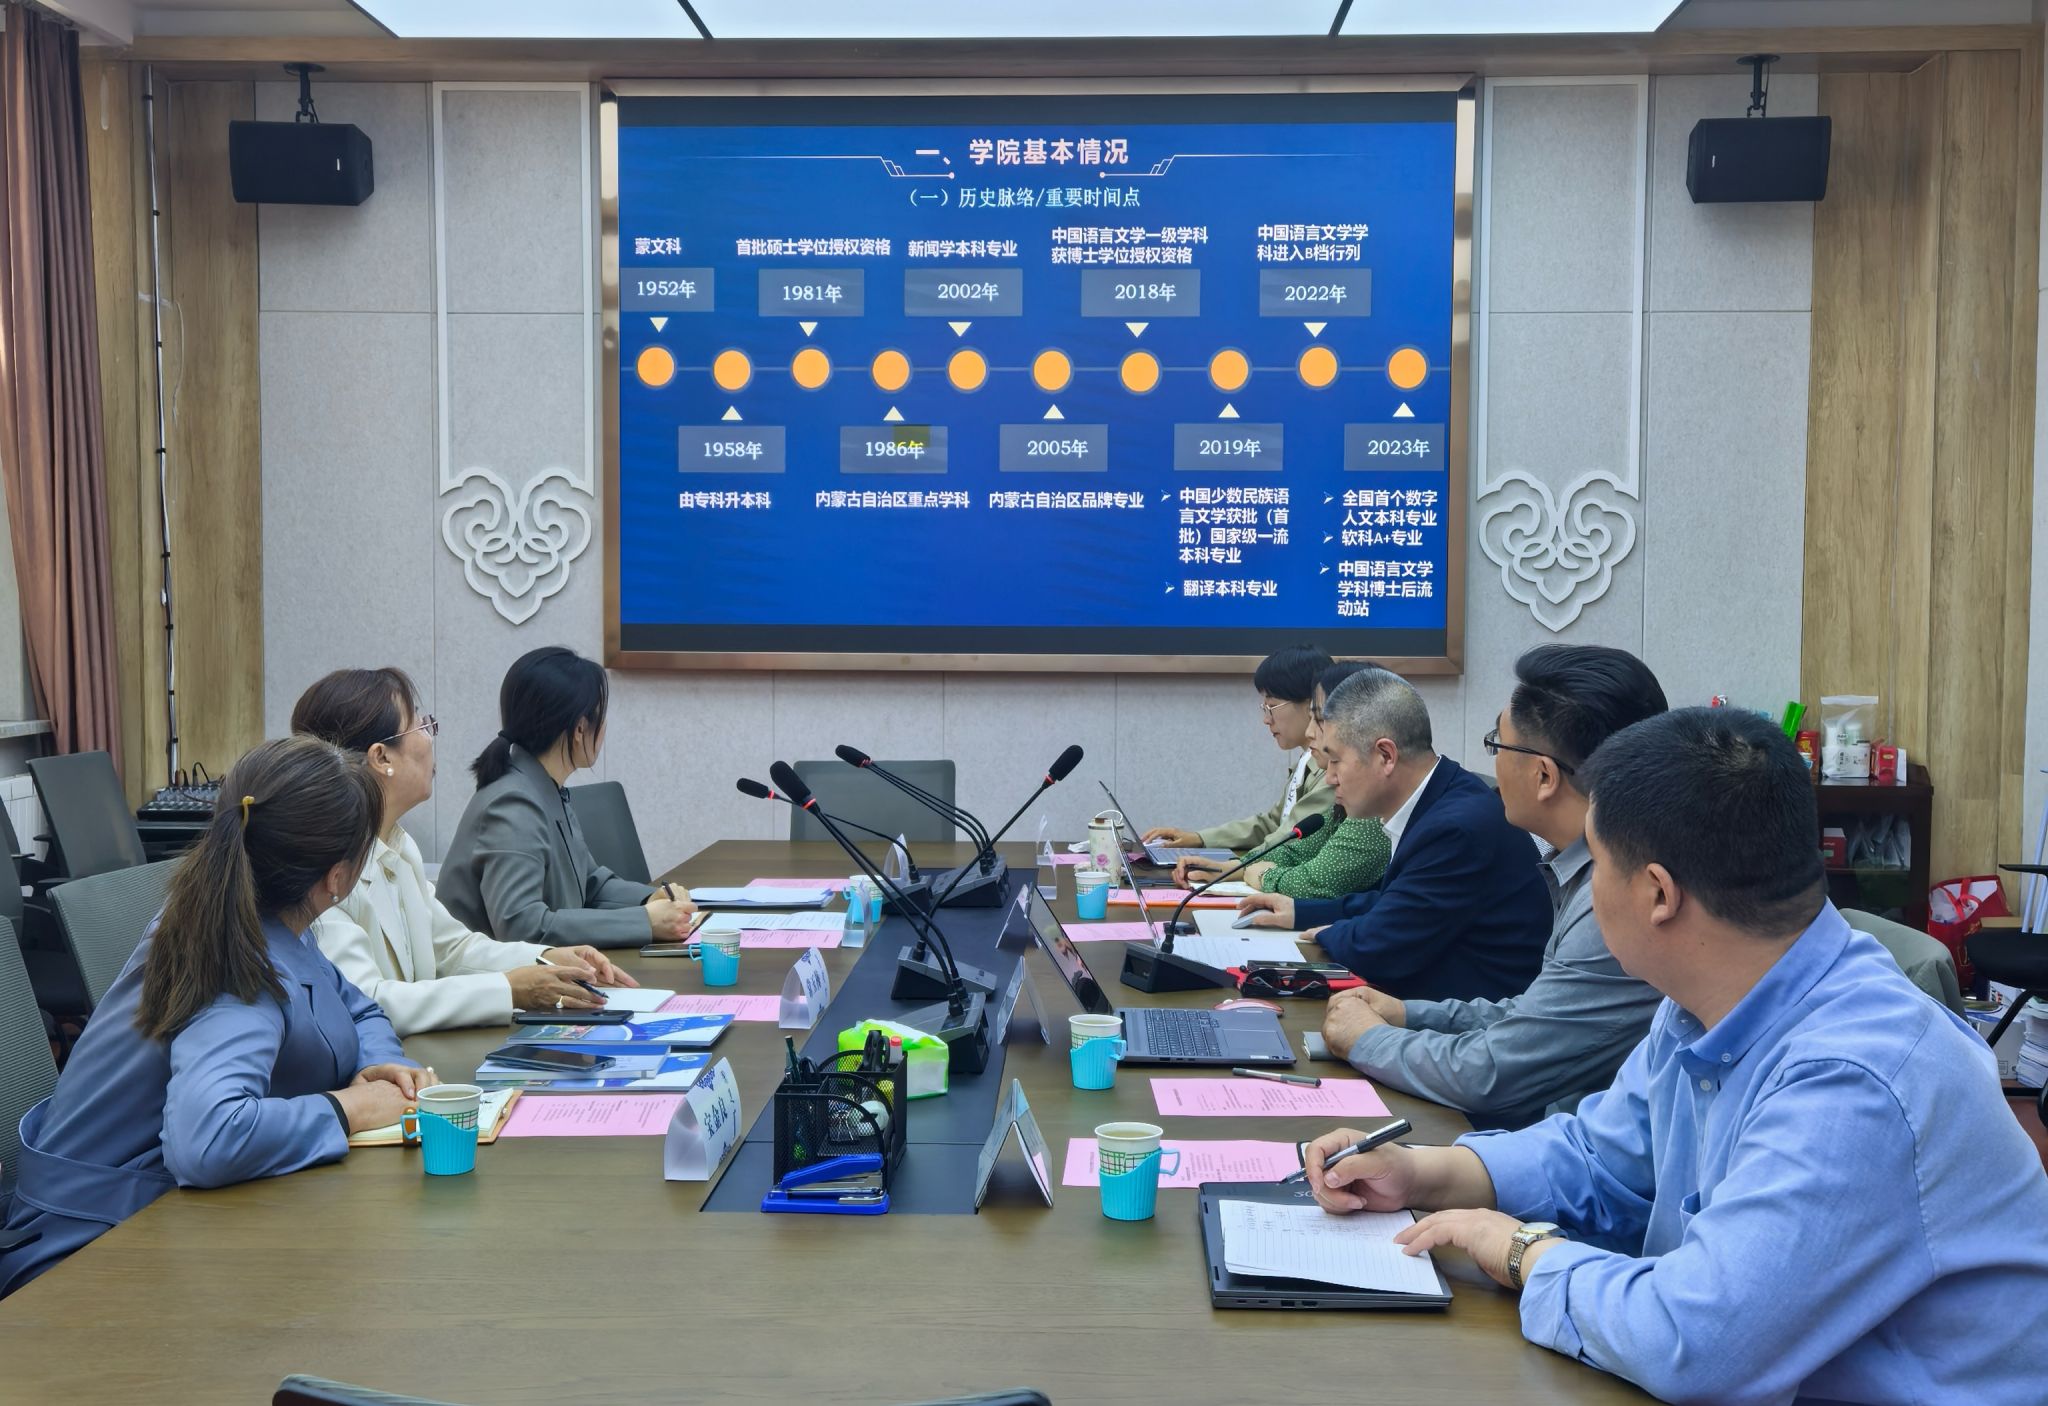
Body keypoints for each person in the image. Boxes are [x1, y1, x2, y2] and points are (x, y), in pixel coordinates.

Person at [1303, 709, 2048, 1405]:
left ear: (1658, 894)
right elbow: (1600, 1157)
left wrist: (1522, 1250)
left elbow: (1696, 1340)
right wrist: (1425, 1173)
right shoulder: (1704, 1001)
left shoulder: (1853, 1080)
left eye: (1595, 864)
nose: (1585, 891)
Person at [0, 737, 433, 1297]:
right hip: (88, 1256)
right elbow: (205, 1140)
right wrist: (349, 1108)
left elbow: (357, 1006)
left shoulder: (252, 913)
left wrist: (375, 1066)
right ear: (337, 877)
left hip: (154, 1217)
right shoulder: (234, 960)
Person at [1320, 645, 1667, 1127]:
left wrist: (1367, 1039)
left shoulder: (1618, 896)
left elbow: (1494, 1075)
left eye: (1497, 745)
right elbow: (1534, 1015)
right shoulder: (1585, 865)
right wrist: (1408, 1014)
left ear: (1544, 775)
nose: (1492, 767)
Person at [291, 667, 639, 1036]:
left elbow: (452, 948)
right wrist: (509, 990)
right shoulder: (324, 867)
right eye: (420, 726)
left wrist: (545, 958)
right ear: (382, 758)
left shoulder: (398, 845)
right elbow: (367, 1001)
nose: (430, 738)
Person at [1239, 666, 1550, 1001]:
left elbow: (1377, 949)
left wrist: (1327, 933)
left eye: (1336, 760)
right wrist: (1301, 911)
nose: (1329, 778)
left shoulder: (1455, 827)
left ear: (1385, 756)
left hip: (1473, 1020)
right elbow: (1397, 903)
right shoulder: (1440, 797)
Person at [438, 646, 695, 950]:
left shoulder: (545, 788)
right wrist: (645, 922)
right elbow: (520, 925)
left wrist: (651, 899)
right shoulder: (513, 804)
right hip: (489, 978)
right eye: (601, 717)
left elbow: (590, 884)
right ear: (580, 728)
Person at [1174, 659, 1391, 900]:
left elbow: (1316, 882)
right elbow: (1295, 849)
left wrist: (1263, 875)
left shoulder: (1374, 807)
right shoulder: (1329, 775)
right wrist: (1234, 868)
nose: (1310, 731)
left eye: (1318, 718)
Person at [1140, 643, 1336, 854]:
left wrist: (1231, 867)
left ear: (1311, 703)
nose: (1266, 719)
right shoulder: (1306, 760)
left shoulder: (1331, 769)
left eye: (1272, 707)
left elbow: (1287, 840)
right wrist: (1199, 839)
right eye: (1264, 708)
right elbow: (1273, 824)